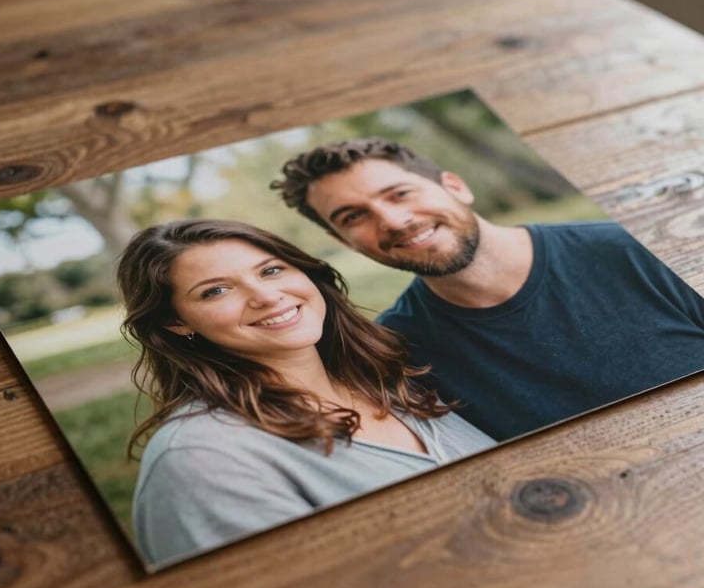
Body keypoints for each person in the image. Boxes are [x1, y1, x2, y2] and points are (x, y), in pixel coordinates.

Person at [117, 219, 495, 567]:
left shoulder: (392, 379)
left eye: (271, 270)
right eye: (216, 291)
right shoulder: (201, 458)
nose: (266, 295)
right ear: (176, 323)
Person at [272, 138, 704, 441]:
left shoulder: (636, 250)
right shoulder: (397, 353)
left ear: (455, 186)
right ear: (344, 242)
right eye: (352, 217)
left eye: (400, 193)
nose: (393, 221)